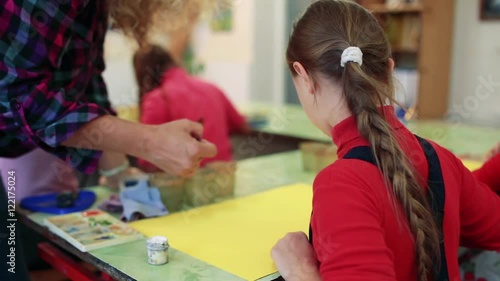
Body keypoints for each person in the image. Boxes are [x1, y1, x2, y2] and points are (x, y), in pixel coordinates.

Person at [270, 1, 500, 281]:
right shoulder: (441, 159)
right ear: (389, 70)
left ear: (304, 77)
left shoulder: (341, 185)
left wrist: (299, 270)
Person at [0, 1, 220, 280]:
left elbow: (88, 87)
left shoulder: (94, 8)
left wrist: (116, 170)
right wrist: (149, 142)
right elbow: (18, 98)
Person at [134, 45, 250, 172]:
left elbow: (147, 162)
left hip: (185, 182)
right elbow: (242, 126)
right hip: (223, 176)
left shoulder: (157, 99)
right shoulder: (212, 88)